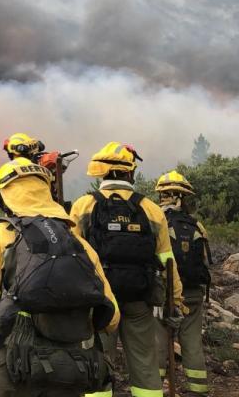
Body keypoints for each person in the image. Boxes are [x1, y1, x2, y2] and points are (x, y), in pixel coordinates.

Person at [0, 157, 120, 397]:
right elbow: (112, 316)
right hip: (73, 371)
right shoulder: (76, 240)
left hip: (16, 369)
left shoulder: (0, 236)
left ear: (3, 197)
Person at [69, 142, 185, 397]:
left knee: (97, 361)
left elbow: (72, 257)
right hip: (139, 299)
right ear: (130, 173)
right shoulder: (151, 209)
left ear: (100, 173)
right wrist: (175, 301)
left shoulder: (83, 206)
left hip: (98, 301)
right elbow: (167, 261)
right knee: (144, 361)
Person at [155, 170, 211, 396]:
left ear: (163, 196)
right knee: (192, 343)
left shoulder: (156, 220)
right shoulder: (197, 226)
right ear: (183, 197)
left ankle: (154, 390)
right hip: (193, 295)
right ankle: (198, 390)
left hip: (162, 294)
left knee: (158, 344)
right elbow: (205, 261)